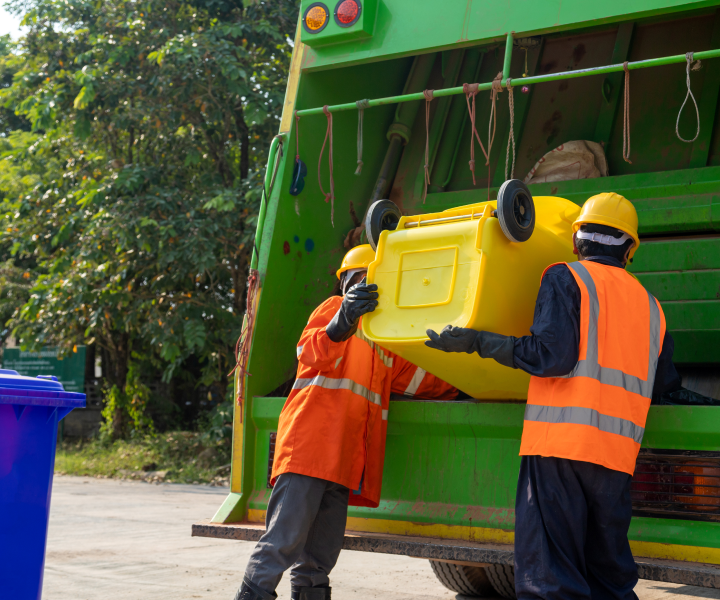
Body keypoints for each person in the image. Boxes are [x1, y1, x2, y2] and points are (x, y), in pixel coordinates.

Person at [424, 193, 682, 600]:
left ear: (577, 240)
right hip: (616, 458)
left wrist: (477, 341)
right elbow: (664, 383)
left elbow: (551, 357)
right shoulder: (653, 307)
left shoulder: (566, 277)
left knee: (553, 580)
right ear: (630, 248)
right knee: (609, 578)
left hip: (559, 448)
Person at [235, 244, 459, 600]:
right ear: (344, 285)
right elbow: (309, 350)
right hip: (309, 454)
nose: (364, 287)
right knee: (282, 543)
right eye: (357, 280)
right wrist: (343, 321)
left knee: (319, 558)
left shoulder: (384, 342)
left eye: (371, 280)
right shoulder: (331, 310)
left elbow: (421, 381)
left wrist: (467, 376)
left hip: (342, 463)